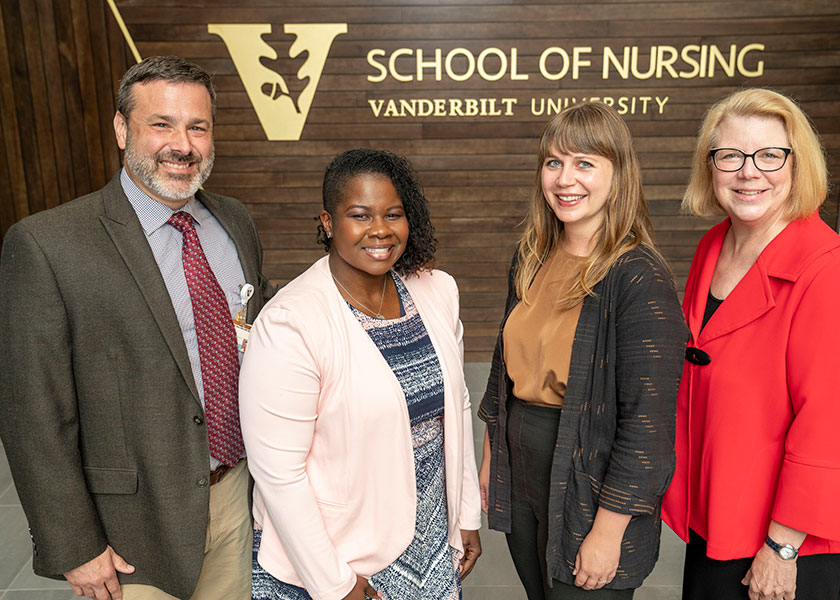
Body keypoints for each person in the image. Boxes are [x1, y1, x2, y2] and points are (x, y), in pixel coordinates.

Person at [0, 56, 273, 600]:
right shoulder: (48, 245)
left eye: (197, 126)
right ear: (122, 129)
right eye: (162, 124)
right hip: (132, 534)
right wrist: (74, 544)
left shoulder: (233, 222)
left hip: (237, 500)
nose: (184, 144)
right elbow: (33, 414)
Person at [239, 148, 482, 600]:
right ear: (328, 223)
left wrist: (465, 513)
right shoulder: (291, 322)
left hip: (429, 541)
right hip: (336, 558)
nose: (380, 230)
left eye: (393, 214)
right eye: (360, 215)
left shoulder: (437, 290)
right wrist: (337, 584)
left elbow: (459, 405)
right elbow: (278, 473)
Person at [477, 102, 688, 599]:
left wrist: (608, 531)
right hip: (524, 458)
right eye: (554, 162)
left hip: (590, 472)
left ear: (619, 175)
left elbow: (648, 425)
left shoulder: (638, 276)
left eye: (585, 163)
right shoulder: (532, 254)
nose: (565, 178)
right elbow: (502, 367)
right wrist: (492, 454)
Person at [661, 88, 840, 600]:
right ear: (710, 166)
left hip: (785, 538)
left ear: (796, 163)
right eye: (730, 156)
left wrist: (782, 547)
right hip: (717, 515)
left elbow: (826, 422)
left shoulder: (825, 268)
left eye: (768, 155)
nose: (748, 172)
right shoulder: (713, 245)